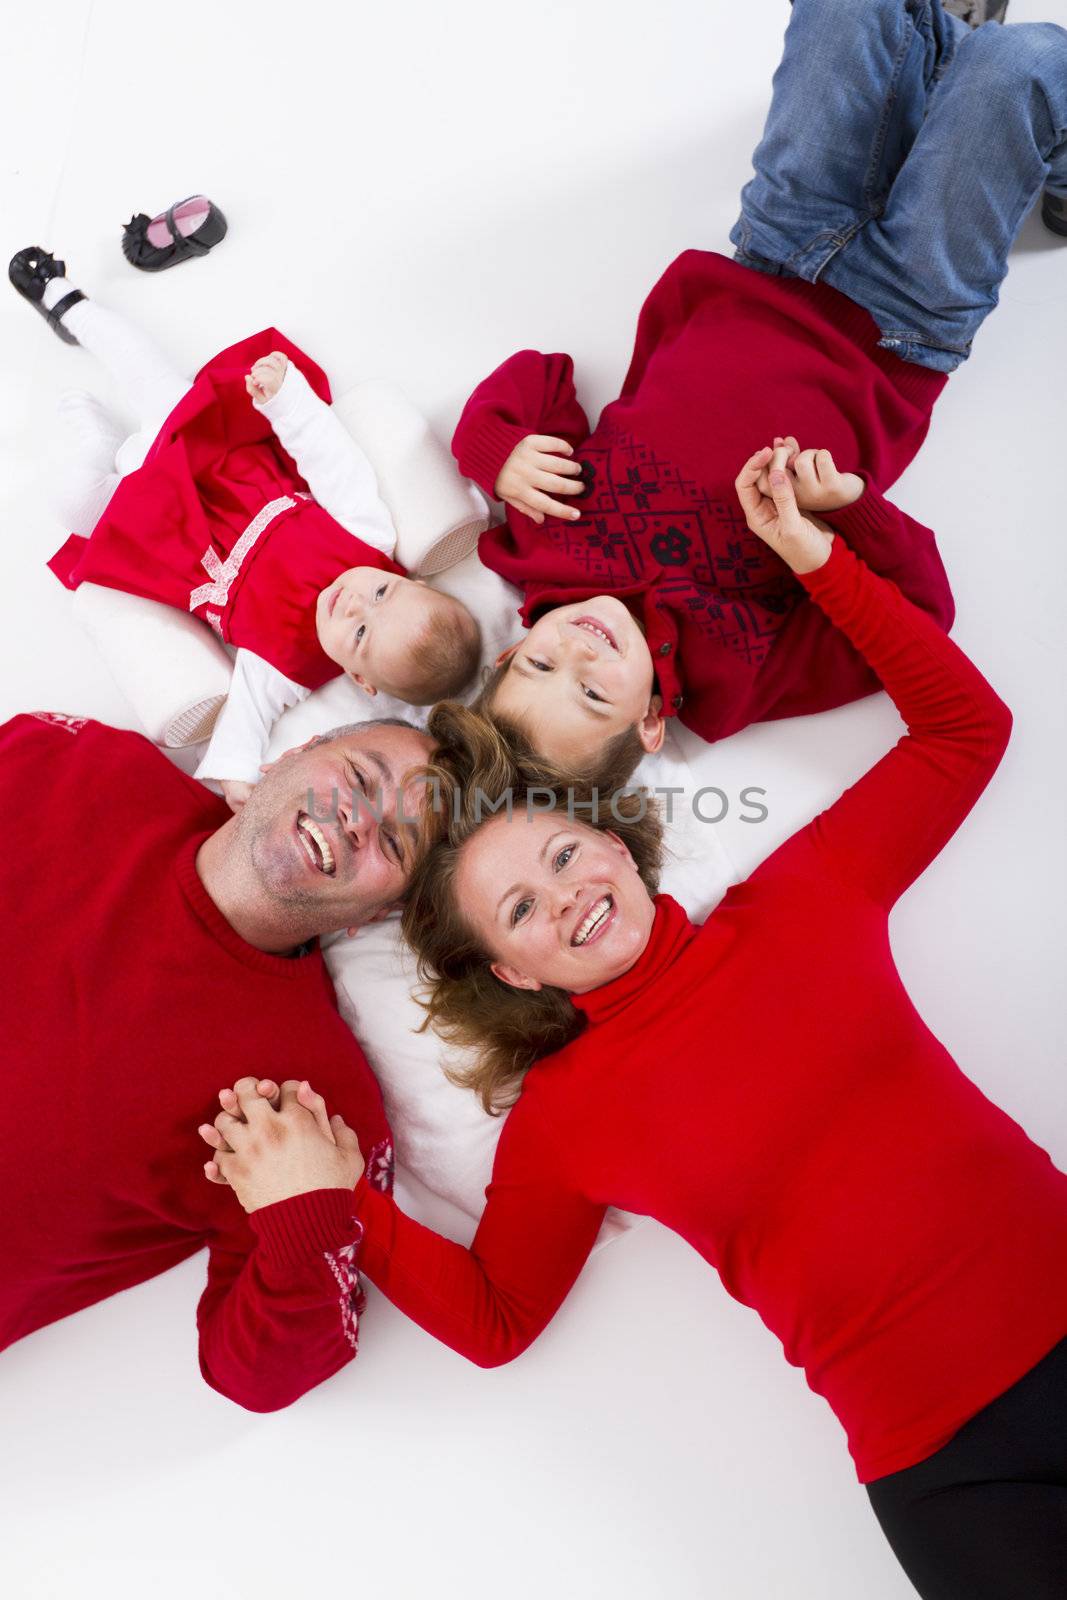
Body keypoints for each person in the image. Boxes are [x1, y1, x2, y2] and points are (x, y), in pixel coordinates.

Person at [205, 448, 1067, 1597]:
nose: (565, 892)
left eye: (562, 853)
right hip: (943, 1468)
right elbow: (497, 1316)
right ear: (510, 971)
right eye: (521, 906)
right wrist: (328, 1196)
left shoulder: (801, 903)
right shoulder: (564, 1117)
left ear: (616, 840)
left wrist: (816, 558)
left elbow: (965, 731)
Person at [449, 0, 1067, 778]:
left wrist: (495, 448)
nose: (576, 650)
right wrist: (849, 511)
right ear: (647, 723)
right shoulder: (737, 678)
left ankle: (932, 61)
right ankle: (984, 99)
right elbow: (915, 621)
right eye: (592, 694)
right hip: (901, 320)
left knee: (846, 10)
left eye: (539, 667)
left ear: (509, 651)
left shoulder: (538, 546)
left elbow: (541, 379)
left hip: (775, 247)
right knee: (1023, 64)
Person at [0, 707, 438, 1411]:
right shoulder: (80, 761)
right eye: (358, 775)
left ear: (376, 914)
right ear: (285, 756)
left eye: (394, 840)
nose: (357, 818)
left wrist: (307, 1213)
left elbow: (259, 1375)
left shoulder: (309, 1104)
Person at [5, 263, 481, 809]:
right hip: (215, 462)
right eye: (382, 593)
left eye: (359, 635)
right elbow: (331, 460)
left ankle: (93, 433)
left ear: (358, 678)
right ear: (408, 577)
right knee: (149, 376)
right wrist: (285, 399)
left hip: (162, 529)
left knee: (72, 502)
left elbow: (247, 713)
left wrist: (237, 777)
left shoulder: (290, 663)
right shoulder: (367, 537)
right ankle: (70, 304)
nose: (354, 603)